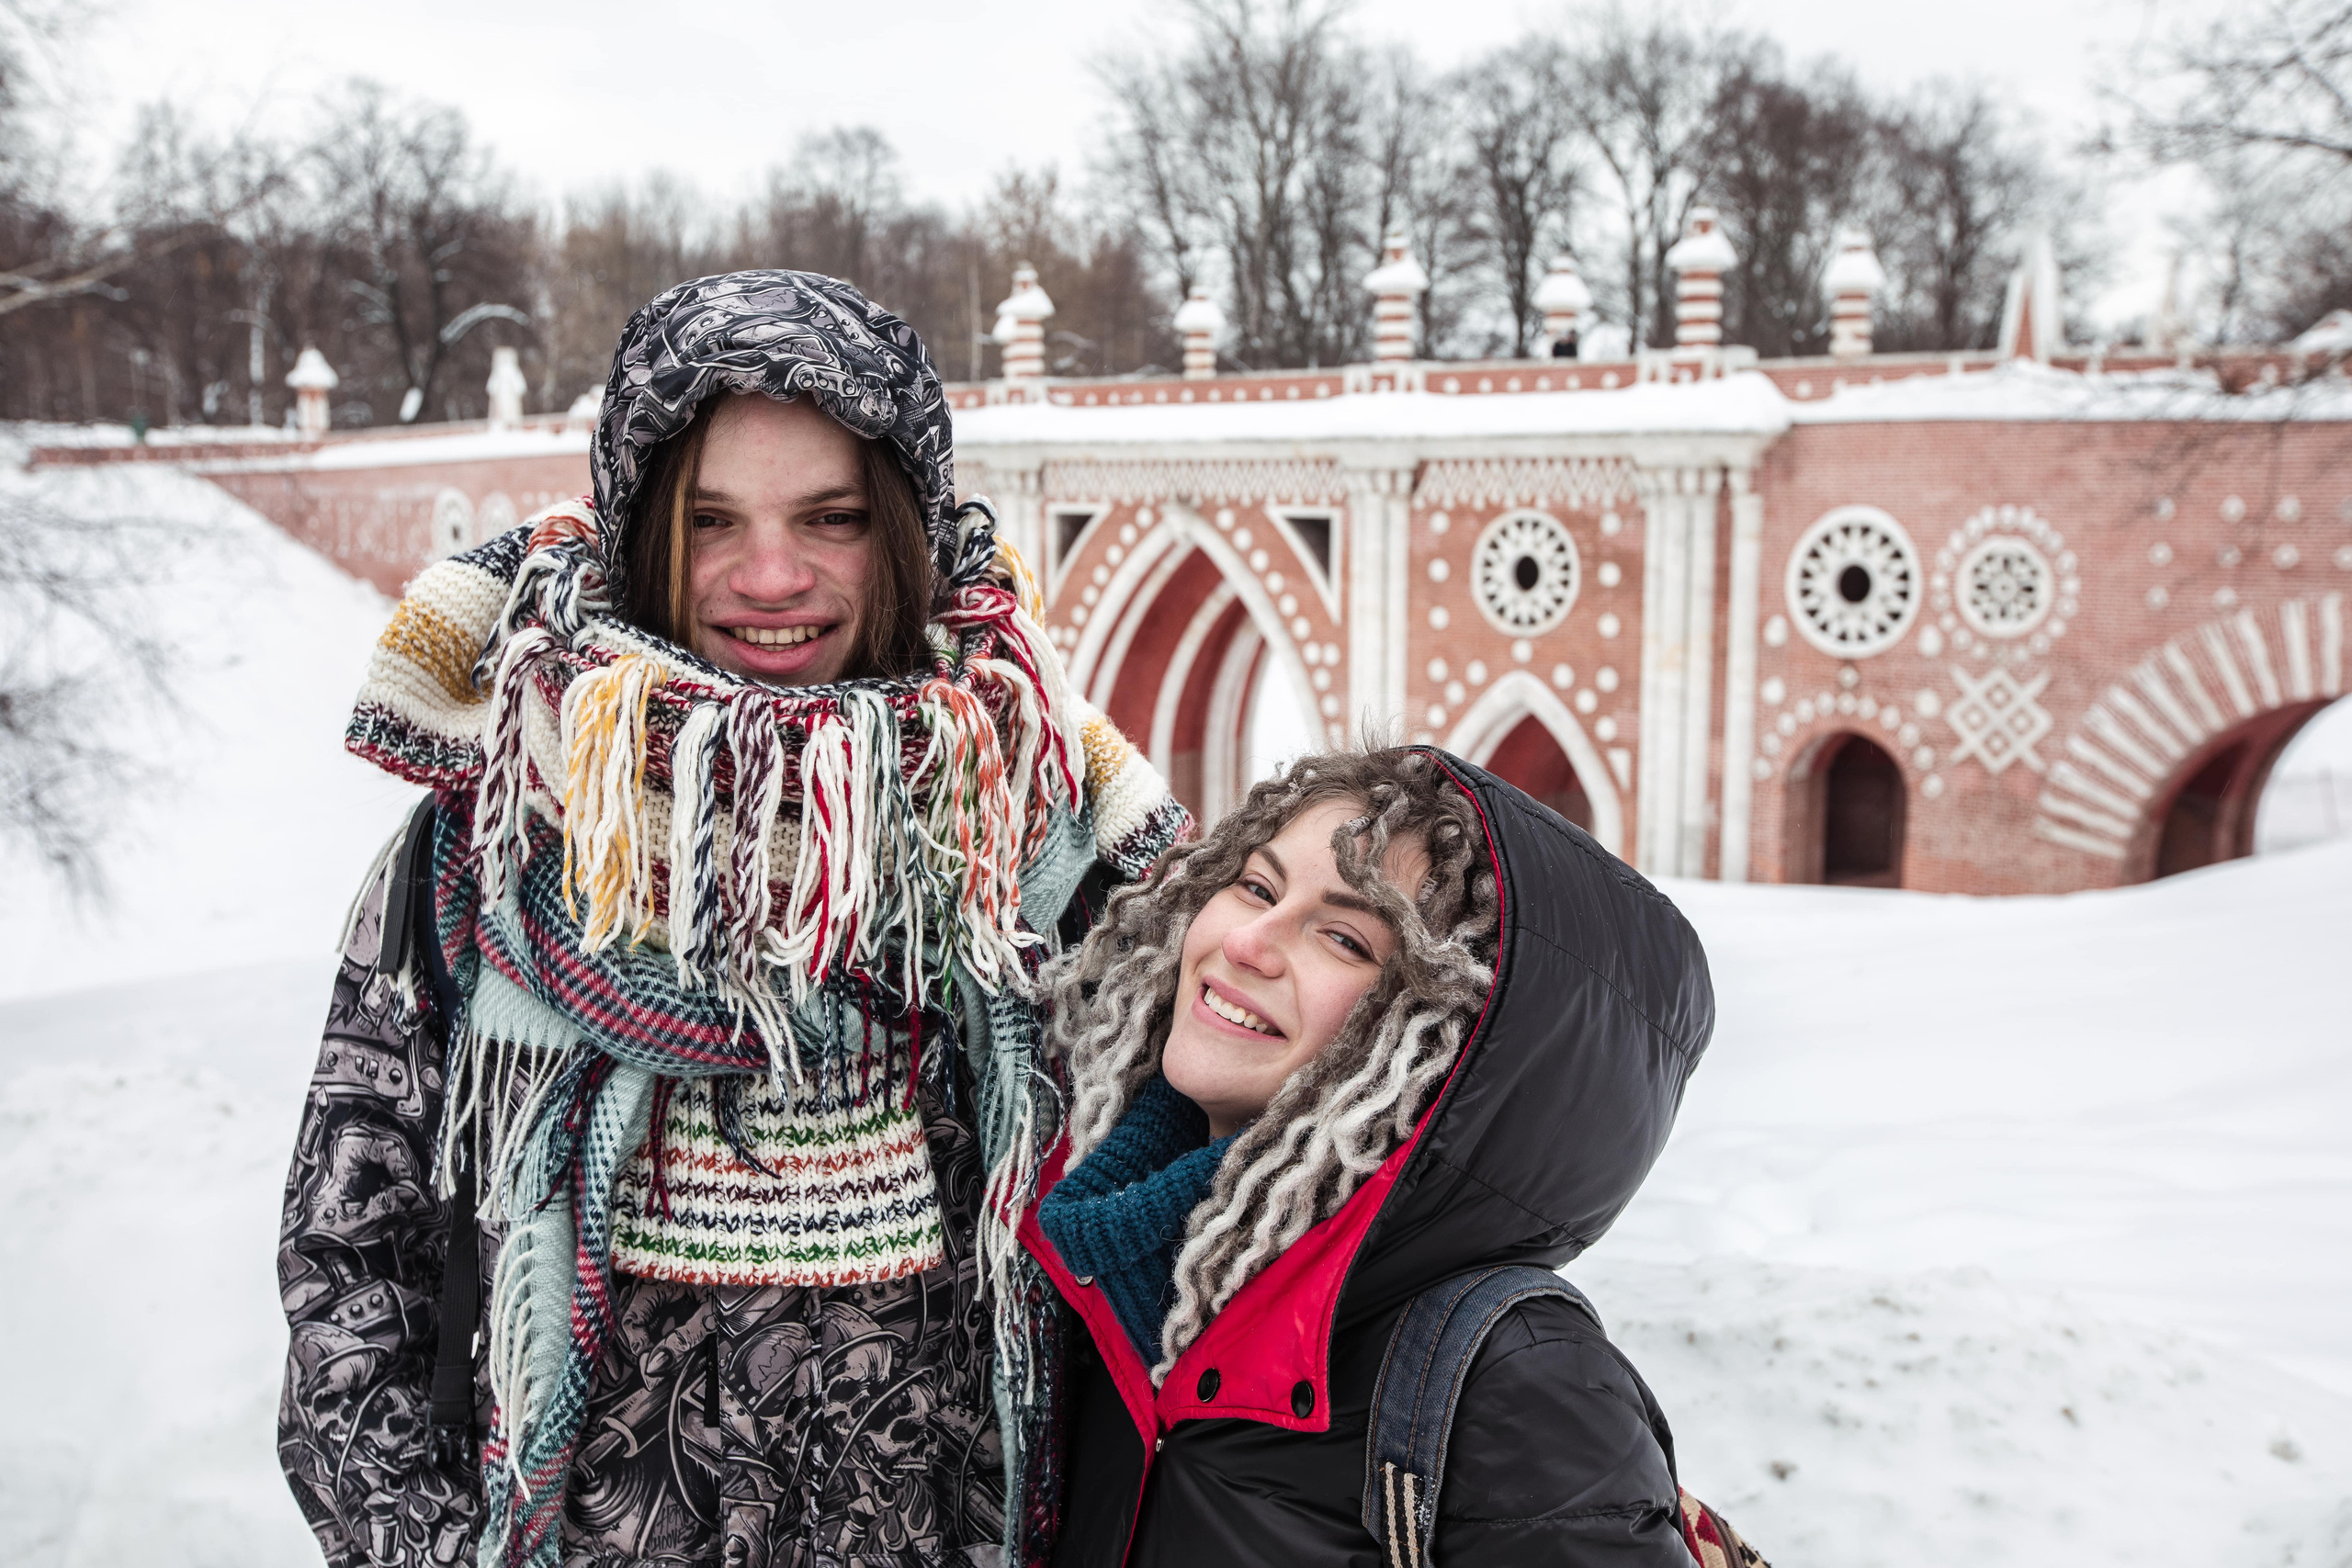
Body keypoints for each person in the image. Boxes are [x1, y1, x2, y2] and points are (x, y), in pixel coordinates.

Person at [277, 270, 1188, 1568]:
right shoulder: (493, 837)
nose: (772, 577)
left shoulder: (1034, 833)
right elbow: (348, 1267)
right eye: (712, 521)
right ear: (645, 531)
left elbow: (1207, 1208)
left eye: (831, 517)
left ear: (905, 533)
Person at [1023, 746, 1724, 1565]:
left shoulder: (1523, 1384)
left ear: (1442, 1042)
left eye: (1346, 939)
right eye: (1256, 886)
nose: (1248, 940)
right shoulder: (1109, 1264)